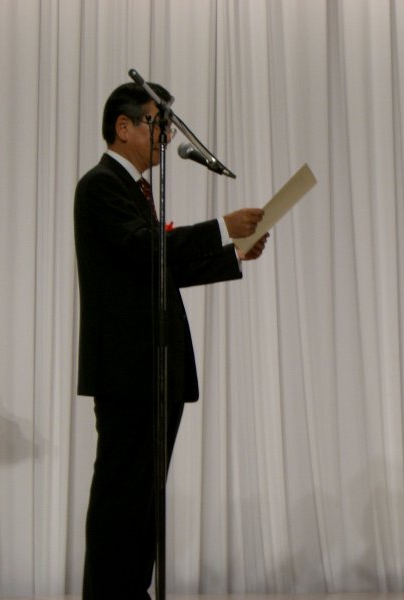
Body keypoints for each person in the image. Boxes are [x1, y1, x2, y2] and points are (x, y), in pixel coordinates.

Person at [74, 81, 269, 599]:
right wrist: (221, 227)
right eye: (156, 123)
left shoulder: (135, 190)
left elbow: (160, 269)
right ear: (123, 127)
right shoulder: (100, 186)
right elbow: (144, 249)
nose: (164, 136)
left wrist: (233, 253)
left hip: (152, 371)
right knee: (122, 499)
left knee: (144, 501)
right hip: (126, 371)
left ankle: (131, 590)